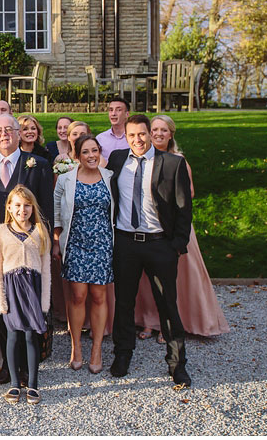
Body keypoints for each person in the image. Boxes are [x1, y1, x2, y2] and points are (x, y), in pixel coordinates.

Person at [106, 114, 193, 387]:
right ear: (126, 136)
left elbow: (183, 209)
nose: (138, 140)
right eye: (132, 135)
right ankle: (122, 354)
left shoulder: (172, 163)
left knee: (167, 303)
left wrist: (176, 245)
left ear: (150, 134)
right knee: (124, 302)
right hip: (126, 243)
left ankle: (177, 363)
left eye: (142, 134)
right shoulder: (118, 160)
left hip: (159, 244)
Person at [0, 113, 54, 386]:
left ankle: (29, 365)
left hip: (28, 250)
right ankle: (6, 365)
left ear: (19, 134)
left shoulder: (38, 165)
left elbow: (46, 210)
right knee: (1, 307)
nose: (4, 134)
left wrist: (45, 245)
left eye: (9, 129)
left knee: (29, 306)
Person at [134, 115, 228, 340]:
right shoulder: (141, 158)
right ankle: (149, 321)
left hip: (173, 227)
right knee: (147, 280)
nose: (158, 134)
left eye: (163, 130)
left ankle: (172, 322)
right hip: (147, 227)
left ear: (171, 134)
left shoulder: (179, 160)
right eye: (154, 129)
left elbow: (189, 194)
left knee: (176, 278)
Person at [53, 135, 114, 374]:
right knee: (78, 295)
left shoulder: (109, 177)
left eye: (95, 151)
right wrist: (57, 240)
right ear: (77, 156)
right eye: (86, 152)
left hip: (102, 243)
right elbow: (57, 209)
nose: (91, 156)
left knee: (99, 296)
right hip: (76, 242)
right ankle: (76, 347)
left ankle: (96, 349)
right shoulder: (66, 180)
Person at [0, 185, 51, 405]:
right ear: (9, 206)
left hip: (33, 289)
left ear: (32, 208)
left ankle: (33, 384)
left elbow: (45, 270)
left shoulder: (40, 230)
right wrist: (0, 300)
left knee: (30, 335)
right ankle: (15, 384)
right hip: (11, 289)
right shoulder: (1, 231)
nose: (22, 210)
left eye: (27, 205)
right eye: (17, 205)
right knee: (13, 335)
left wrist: (44, 301)